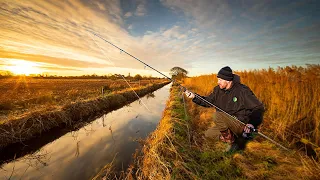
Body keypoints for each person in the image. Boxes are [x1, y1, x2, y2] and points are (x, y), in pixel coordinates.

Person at [184, 66, 264, 151]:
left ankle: (234, 140)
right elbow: (208, 101)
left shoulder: (242, 91)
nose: (218, 82)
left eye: (220, 80)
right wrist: (194, 97)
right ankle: (234, 138)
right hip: (226, 124)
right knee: (208, 134)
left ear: (228, 80)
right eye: (218, 79)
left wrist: (251, 123)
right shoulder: (217, 90)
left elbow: (258, 108)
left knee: (217, 116)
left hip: (239, 123)